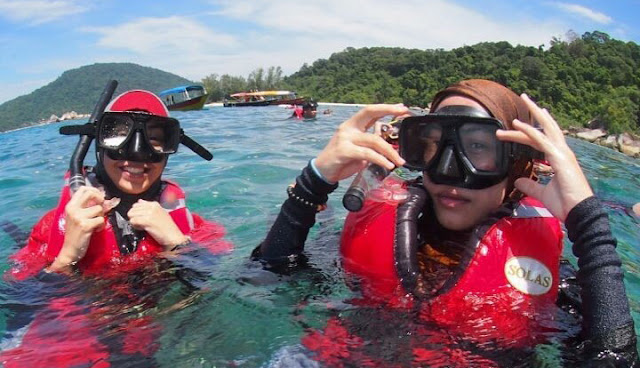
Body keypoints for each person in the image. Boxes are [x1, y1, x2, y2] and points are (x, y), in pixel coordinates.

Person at [254, 79, 638, 366]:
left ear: (518, 163)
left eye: (479, 148)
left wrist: (587, 221)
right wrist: (314, 181)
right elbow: (265, 279)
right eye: (433, 146)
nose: (450, 172)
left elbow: (611, 358)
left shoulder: (553, 274)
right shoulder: (378, 227)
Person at [2, 88, 232, 367]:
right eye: (118, 135)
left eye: (156, 140)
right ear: (98, 143)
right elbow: (17, 308)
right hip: (81, 338)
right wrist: (65, 258)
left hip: (159, 337)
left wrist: (178, 244)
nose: (137, 155)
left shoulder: (191, 227)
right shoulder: (52, 227)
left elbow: (222, 283)